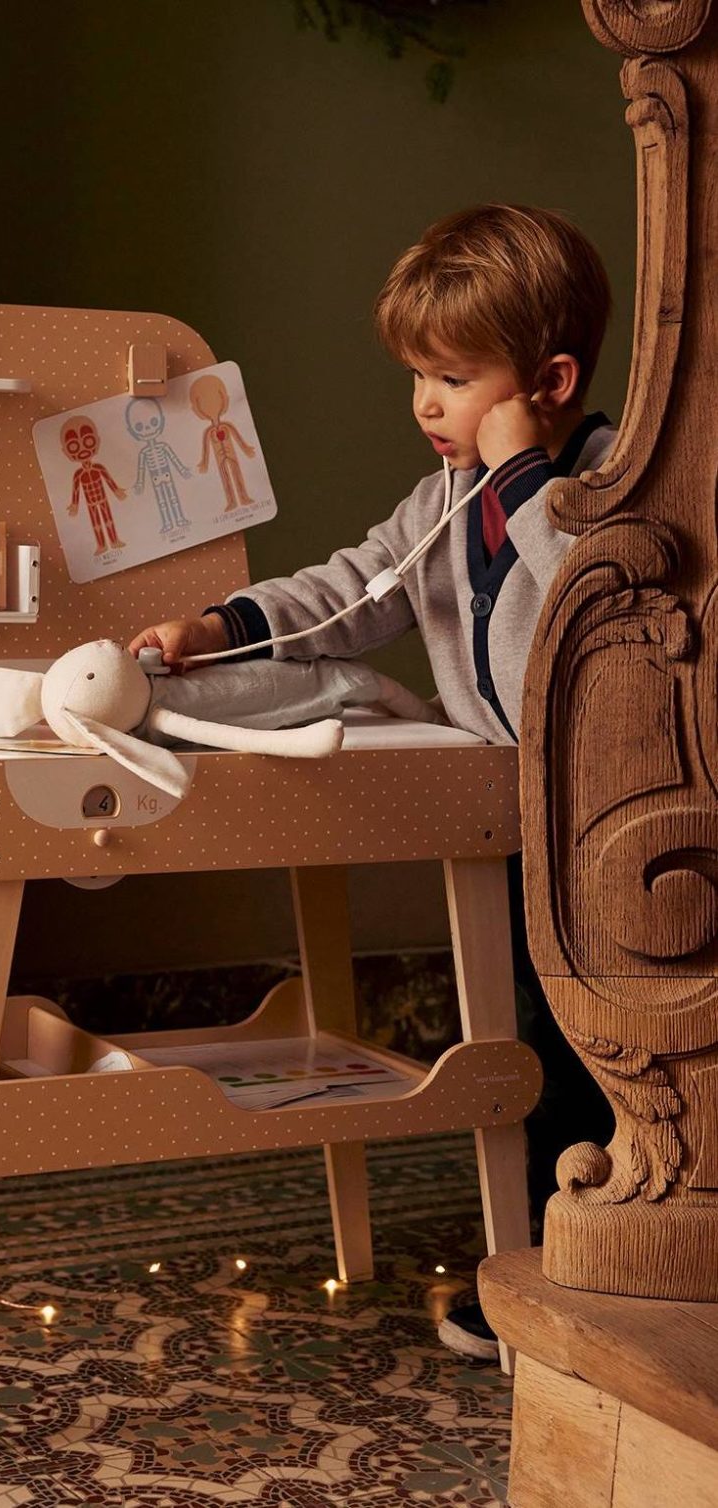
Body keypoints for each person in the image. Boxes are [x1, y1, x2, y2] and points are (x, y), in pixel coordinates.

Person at [129, 203, 617, 1361]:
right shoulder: (438, 505)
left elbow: (590, 597)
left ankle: (610, 1277)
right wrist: (221, 624)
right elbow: (352, 586)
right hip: (512, 818)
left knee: (607, 1049)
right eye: (417, 377)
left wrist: (524, 482)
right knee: (529, 1046)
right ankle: (546, 1273)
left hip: (607, 819)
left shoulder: (601, 484)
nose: (428, 405)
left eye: (454, 376)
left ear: (547, 379)